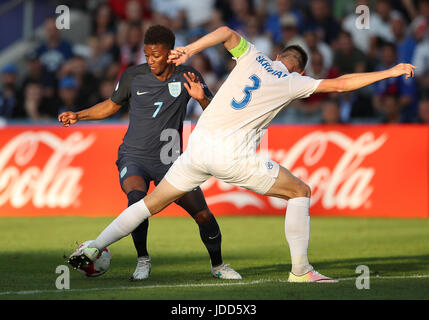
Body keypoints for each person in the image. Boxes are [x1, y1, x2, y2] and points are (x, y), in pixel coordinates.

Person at [68, 26, 416, 283]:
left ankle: (94, 246)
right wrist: (389, 71)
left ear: (278, 57)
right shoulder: (294, 82)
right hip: (231, 156)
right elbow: (340, 84)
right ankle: (301, 271)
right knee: (300, 192)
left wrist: (189, 48)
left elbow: (223, 31)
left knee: (147, 204)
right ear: (299, 69)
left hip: (196, 149)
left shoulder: (253, 56)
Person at [60, 25, 241, 281]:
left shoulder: (187, 74)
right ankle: (143, 260)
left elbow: (214, 111)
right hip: (134, 156)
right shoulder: (133, 76)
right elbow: (111, 106)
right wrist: (78, 115)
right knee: (136, 201)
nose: (151, 60)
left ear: (170, 53)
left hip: (171, 161)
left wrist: (201, 99)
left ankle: (218, 266)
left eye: (156, 55)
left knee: (202, 214)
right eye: (147, 55)